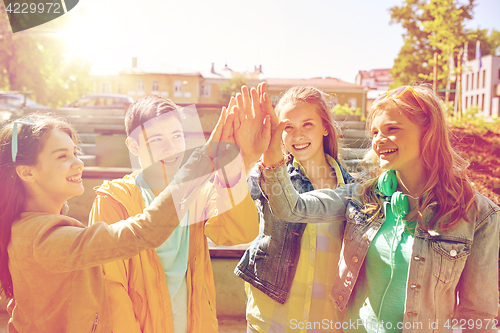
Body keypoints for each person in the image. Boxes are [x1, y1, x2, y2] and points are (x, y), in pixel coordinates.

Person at [255, 84, 500, 332]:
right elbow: (291, 208)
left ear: (429, 132)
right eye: (374, 132)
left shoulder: (479, 215)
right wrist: (272, 150)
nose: (378, 140)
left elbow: (478, 316)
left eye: (391, 129)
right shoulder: (363, 196)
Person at [0, 110, 239, 333]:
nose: (78, 163)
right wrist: (200, 164)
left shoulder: (27, 229)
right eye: (62, 156)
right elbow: (145, 231)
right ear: (26, 172)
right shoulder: (41, 238)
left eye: (75, 153)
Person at [88, 94, 263, 333]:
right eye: (157, 139)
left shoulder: (199, 193)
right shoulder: (114, 199)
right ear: (133, 145)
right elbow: (110, 287)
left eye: (177, 136)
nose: (170, 148)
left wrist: (235, 162)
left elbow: (239, 232)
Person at [234, 84, 352, 333]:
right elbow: (231, 203)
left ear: (325, 128)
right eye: (288, 127)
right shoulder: (267, 174)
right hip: (271, 318)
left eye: (307, 124)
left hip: (326, 321)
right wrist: (245, 155)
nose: (298, 135)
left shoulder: (350, 186)